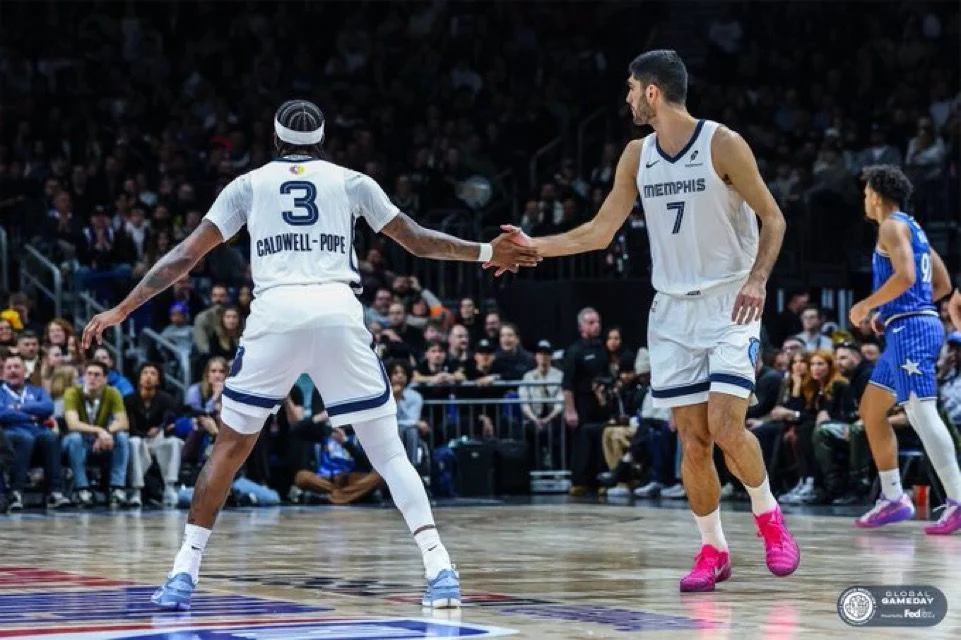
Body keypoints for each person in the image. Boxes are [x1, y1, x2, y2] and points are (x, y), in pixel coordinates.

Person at [81, 99, 538, 611]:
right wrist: (486, 251)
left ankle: (183, 574)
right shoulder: (351, 181)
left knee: (228, 449)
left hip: (276, 315)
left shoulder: (247, 184)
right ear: (323, 141)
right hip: (337, 311)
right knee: (389, 452)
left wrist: (122, 308)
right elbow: (415, 240)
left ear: (275, 140)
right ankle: (441, 569)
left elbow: (184, 257)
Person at [494, 50, 799, 591]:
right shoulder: (637, 155)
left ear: (652, 91)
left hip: (731, 302)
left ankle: (769, 519)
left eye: (631, 88)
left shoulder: (722, 143)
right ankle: (713, 549)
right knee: (693, 441)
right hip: (672, 311)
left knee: (727, 428)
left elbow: (773, 217)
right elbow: (599, 232)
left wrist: (757, 280)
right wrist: (534, 245)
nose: (628, 98)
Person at [848, 165, 961, 535]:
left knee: (921, 412)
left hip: (912, 331)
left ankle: (958, 499)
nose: (865, 200)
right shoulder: (914, 228)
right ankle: (894, 496)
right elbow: (942, 283)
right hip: (907, 325)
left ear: (877, 197)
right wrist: (891, 310)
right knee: (871, 409)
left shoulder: (890, 226)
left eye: (866, 194)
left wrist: (867, 306)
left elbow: (908, 276)